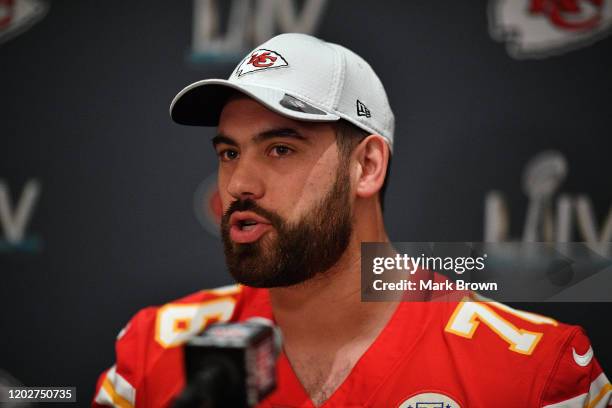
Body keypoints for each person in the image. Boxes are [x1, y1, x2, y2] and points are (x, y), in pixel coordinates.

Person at [93, 33, 611, 407]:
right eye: (229, 153)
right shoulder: (153, 355)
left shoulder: (534, 372)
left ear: (367, 166)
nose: (239, 184)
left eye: (279, 149)